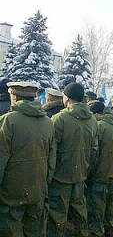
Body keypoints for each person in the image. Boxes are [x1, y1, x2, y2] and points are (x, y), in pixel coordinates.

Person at [0, 81, 56, 236]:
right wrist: (45, 183)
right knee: (35, 229)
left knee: (12, 227)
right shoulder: (48, 122)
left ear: (15, 97)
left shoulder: (7, 121)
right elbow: (52, 159)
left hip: (12, 191)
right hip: (38, 188)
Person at [47, 82, 98, 236]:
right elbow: (94, 151)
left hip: (60, 176)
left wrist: (49, 175)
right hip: (80, 174)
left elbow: (51, 152)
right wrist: (85, 168)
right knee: (80, 213)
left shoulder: (58, 119)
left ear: (67, 98)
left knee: (57, 216)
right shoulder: (92, 120)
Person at [86, 101, 113, 236]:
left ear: (96, 114)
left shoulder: (99, 126)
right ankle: (108, 226)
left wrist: (88, 171)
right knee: (109, 203)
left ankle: (96, 232)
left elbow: (94, 152)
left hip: (100, 173)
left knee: (96, 205)